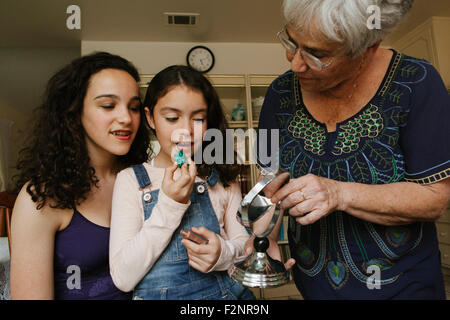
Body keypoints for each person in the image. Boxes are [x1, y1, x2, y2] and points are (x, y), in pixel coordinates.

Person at [256, 0, 450, 299]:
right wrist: (266, 236)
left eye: (317, 54)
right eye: (292, 42)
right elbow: (268, 180)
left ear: (367, 48)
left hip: (403, 289)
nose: (295, 63)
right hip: (314, 288)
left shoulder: (416, 82)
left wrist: (339, 193)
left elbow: (434, 199)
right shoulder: (278, 94)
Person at [10, 52, 150, 299]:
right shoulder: (41, 197)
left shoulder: (144, 179)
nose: (126, 118)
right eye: (108, 105)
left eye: (134, 107)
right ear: (74, 112)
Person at [109, 65, 255, 300]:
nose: (186, 130)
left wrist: (223, 253)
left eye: (198, 119)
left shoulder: (222, 177)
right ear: (150, 118)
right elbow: (123, 278)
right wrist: (170, 203)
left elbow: (245, 247)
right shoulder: (130, 181)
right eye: (172, 118)